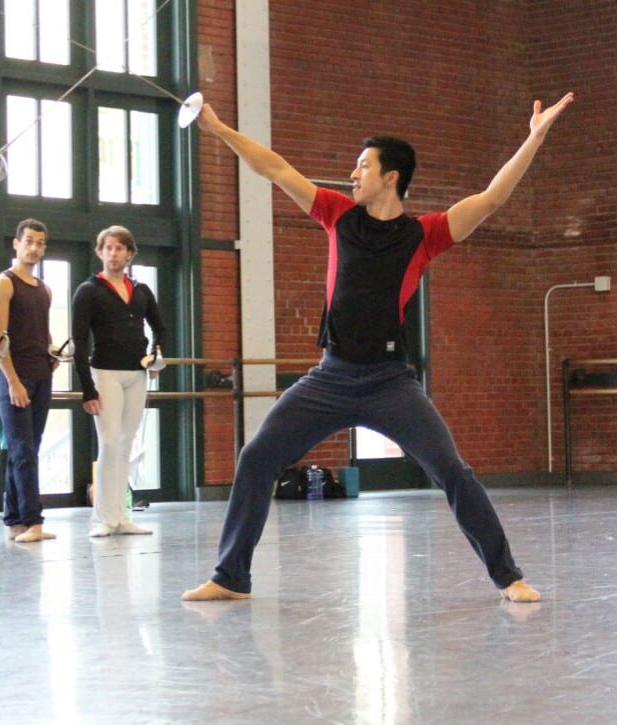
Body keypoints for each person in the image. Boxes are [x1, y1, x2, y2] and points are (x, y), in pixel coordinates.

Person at [182, 93, 575, 603]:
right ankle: (230, 577)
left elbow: (492, 198)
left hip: (390, 383)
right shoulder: (336, 214)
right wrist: (216, 128)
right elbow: (275, 167)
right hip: (330, 377)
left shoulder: (425, 235)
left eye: (363, 165)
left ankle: (509, 576)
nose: (352, 173)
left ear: (392, 176)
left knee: (452, 472)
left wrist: (534, 137)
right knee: (258, 456)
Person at [72, 226, 168, 538]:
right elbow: (79, 342)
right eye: (108, 248)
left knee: (127, 443)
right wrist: (88, 388)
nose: (114, 254)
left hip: (136, 374)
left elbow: (161, 328)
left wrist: (156, 356)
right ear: (100, 253)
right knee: (110, 442)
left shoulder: (141, 290)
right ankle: (104, 517)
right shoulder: (89, 290)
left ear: (129, 254)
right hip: (105, 373)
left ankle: (122, 516)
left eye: (120, 248)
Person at [0, 219, 59, 543]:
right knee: (21, 449)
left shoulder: (45, 289)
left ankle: (15, 519)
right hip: (13, 377)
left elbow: (41, 333)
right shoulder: (3, 283)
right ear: (16, 244)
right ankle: (33, 521)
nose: (34, 248)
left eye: (40, 243)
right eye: (29, 241)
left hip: (42, 375)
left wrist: (53, 352)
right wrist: (12, 381)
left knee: (30, 448)